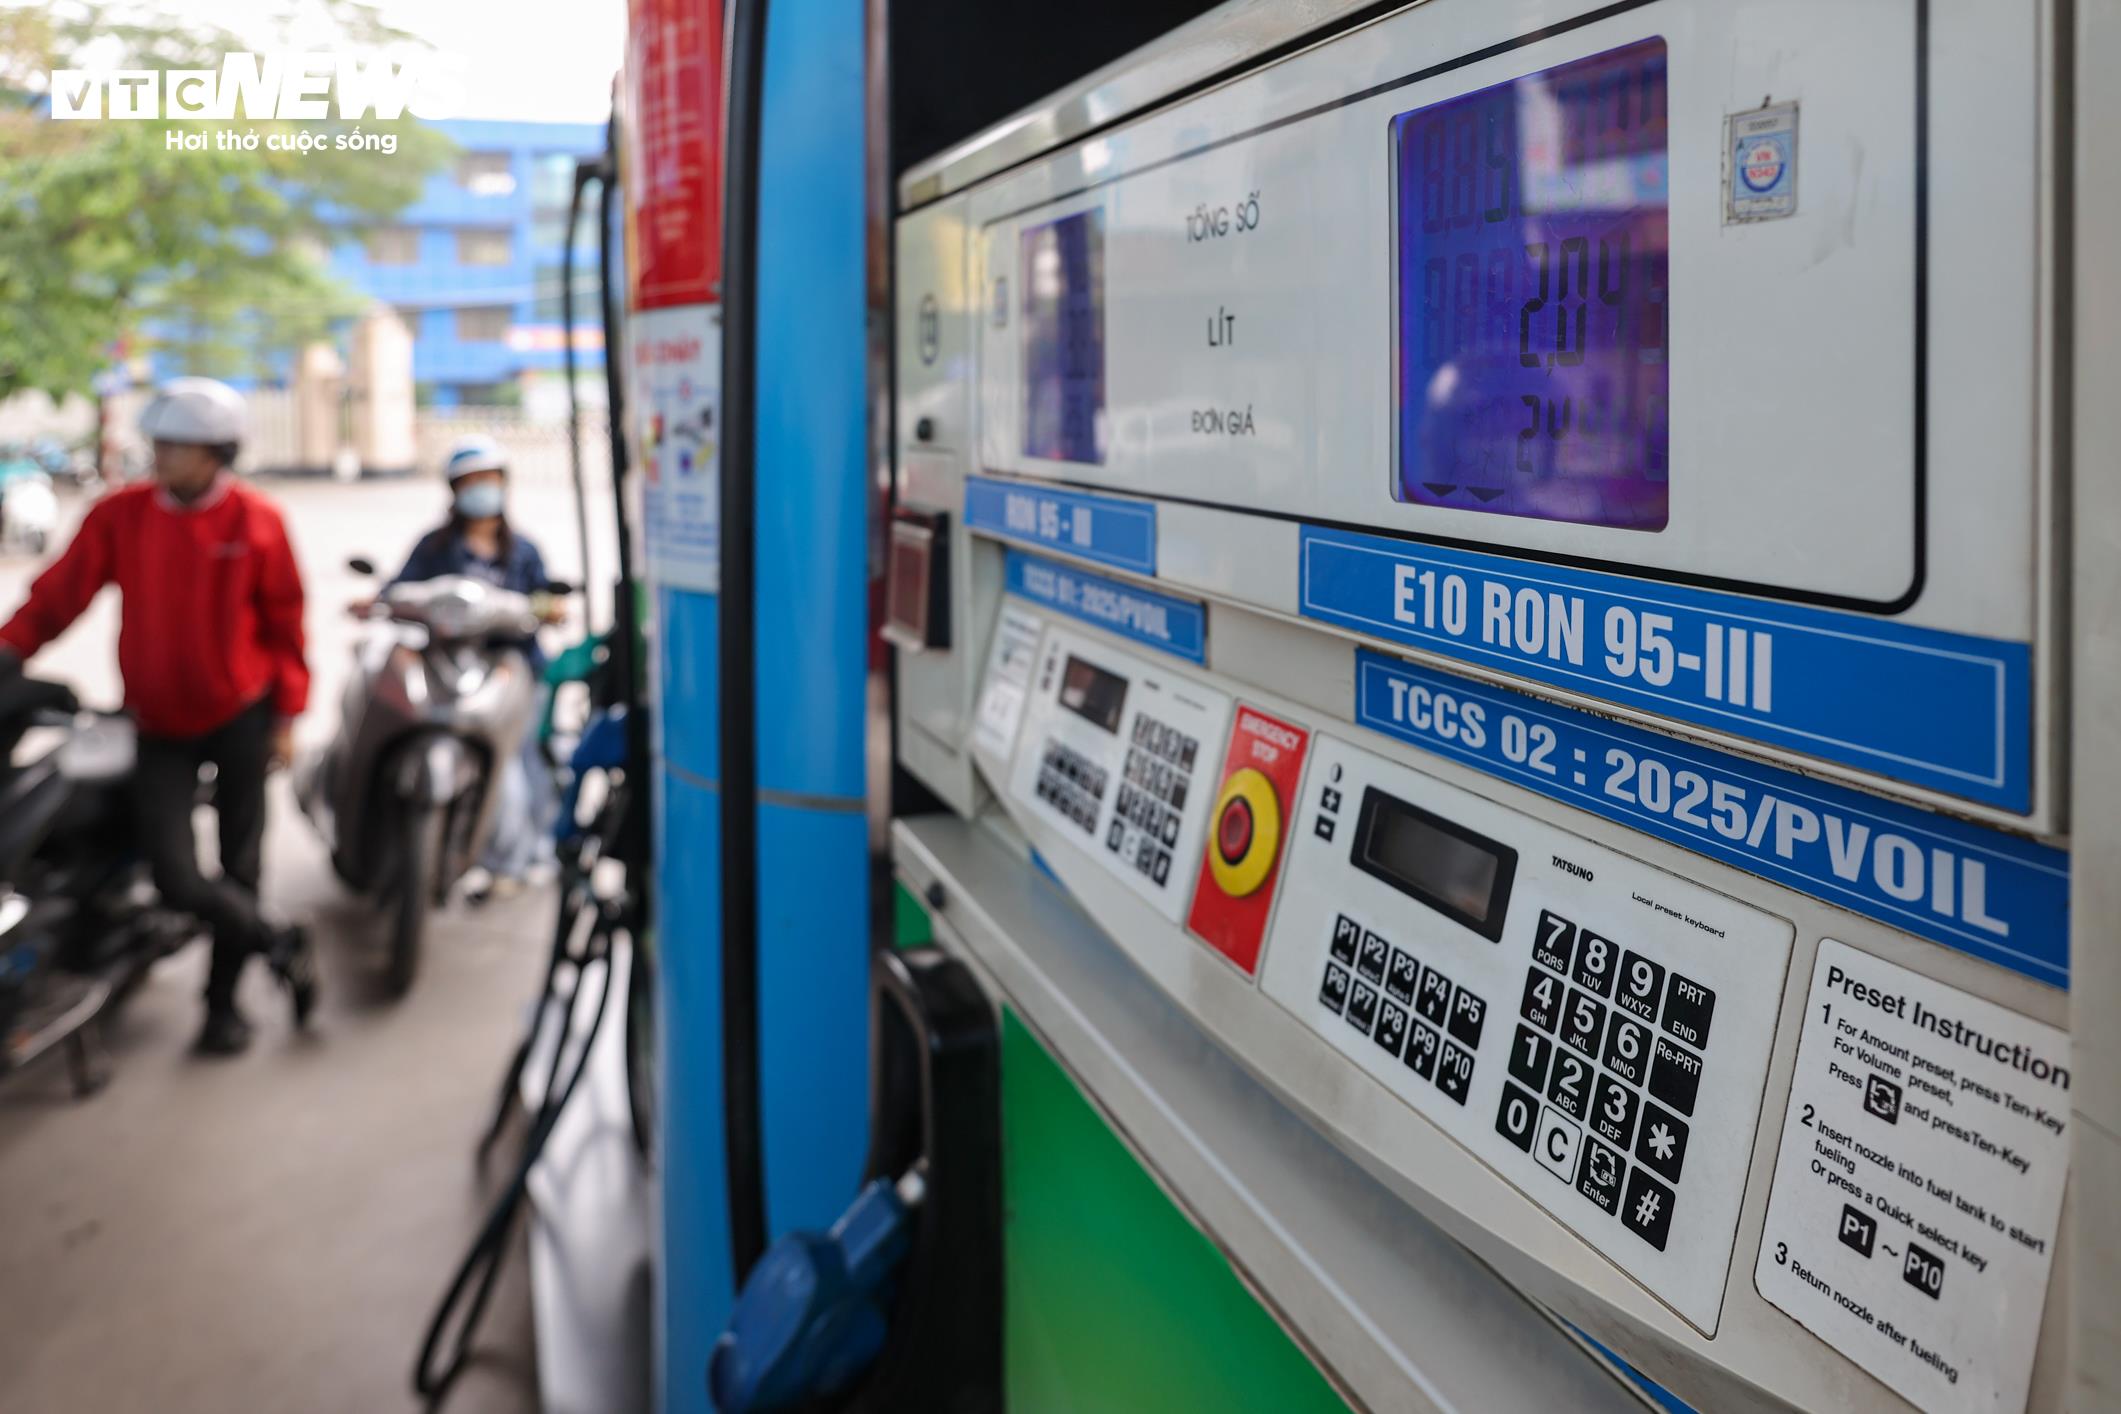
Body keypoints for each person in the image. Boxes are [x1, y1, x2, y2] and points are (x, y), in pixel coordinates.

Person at [0, 377, 317, 1057]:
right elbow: (58, 597)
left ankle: (222, 1008)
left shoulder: (257, 521)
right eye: (159, 442)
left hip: (241, 718)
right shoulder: (121, 515)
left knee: (240, 862)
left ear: (216, 452)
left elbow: (287, 625)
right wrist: (9, 650)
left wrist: (287, 718)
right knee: (176, 874)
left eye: (176, 445)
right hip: (158, 725)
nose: (161, 454)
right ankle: (276, 937)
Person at [371, 435, 561, 886]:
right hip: (451, 666)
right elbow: (398, 589)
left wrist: (547, 609)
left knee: (524, 761)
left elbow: (547, 599)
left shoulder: (523, 551)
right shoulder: (435, 548)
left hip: (511, 668)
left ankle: (533, 852)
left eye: (488, 479)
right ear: (455, 489)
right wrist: (382, 602)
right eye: (471, 481)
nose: (481, 488)